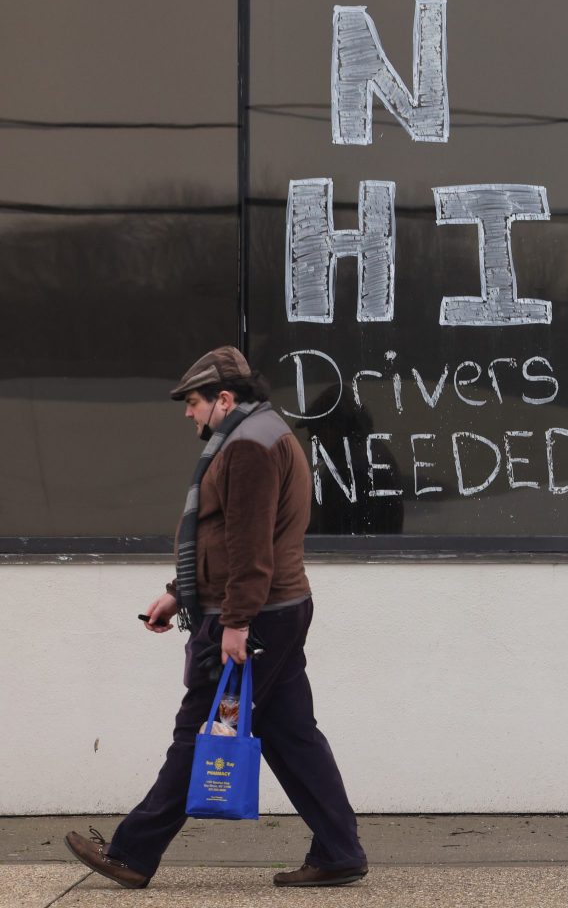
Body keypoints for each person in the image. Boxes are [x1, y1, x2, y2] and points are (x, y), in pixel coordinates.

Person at [63, 346, 368, 889]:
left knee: (199, 730)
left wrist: (235, 622)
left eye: (194, 402)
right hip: (273, 612)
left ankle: (132, 853)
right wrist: (177, 594)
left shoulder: (249, 447)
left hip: (255, 619)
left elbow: (249, 546)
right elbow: (223, 539)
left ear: (224, 399)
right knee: (292, 734)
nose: (188, 413)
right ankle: (340, 850)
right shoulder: (259, 432)